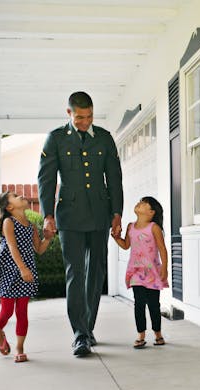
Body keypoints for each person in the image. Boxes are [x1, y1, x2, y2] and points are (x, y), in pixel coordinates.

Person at [38, 91, 124, 357]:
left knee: (96, 273)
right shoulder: (56, 139)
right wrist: (48, 215)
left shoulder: (105, 139)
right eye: (79, 117)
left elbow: (114, 179)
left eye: (89, 117)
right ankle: (79, 335)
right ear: (69, 114)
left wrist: (117, 213)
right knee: (75, 274)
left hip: (99, 215)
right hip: (70, 217)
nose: (85, 122)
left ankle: (87, 328)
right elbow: (47, 179)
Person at [0, 192, 51, 363]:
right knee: (7, 311)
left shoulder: (31, 226)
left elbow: (39, 249)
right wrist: (22, 268)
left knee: (22, 312)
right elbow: (12, 248)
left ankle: (20, 347)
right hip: (10, 271)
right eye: (14, 196)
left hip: (25, 272)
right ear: (9, 207)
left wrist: (48, 238)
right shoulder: (9, 222)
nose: (20, 195)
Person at [111, 197, 169, 348]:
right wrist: (116, 238)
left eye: (144, 203)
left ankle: (158, 334)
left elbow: (162, 249)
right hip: (136, 272)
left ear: (151, 212)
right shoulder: (131, 227)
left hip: (152, 273)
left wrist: (164, 268)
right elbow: (125, 245)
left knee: (154, 305)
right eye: (139, 201)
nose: (139, 203)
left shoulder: (154, 227)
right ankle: (141, 335)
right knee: (139, 304)